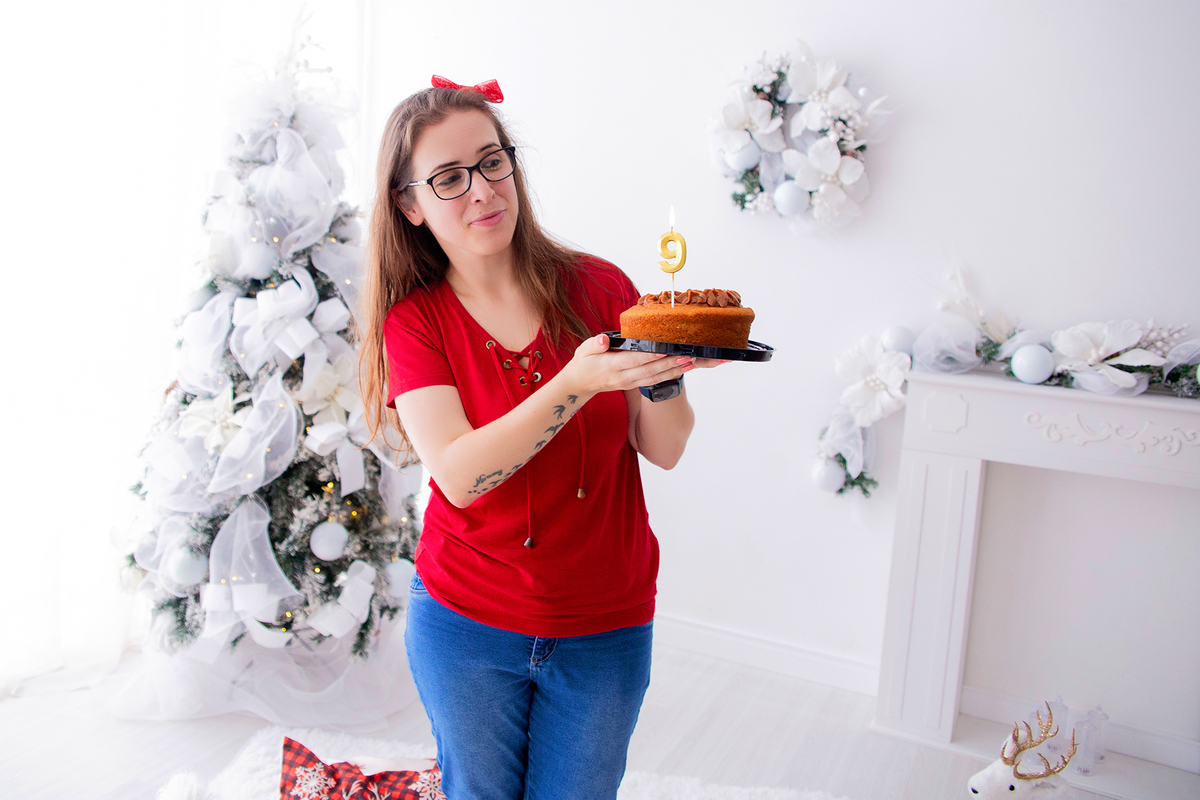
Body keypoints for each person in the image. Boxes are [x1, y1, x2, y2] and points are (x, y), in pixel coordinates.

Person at [358, 78, 719, 800]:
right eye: (449, 178)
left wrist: (666, 375)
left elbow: (667, 446)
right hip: (466, 625)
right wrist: (573, 382)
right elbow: (459, 476)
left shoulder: (600, 287)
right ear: (410, 205)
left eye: (493, 162)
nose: (483, 190)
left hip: (605, 623)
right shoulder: (416, 323)